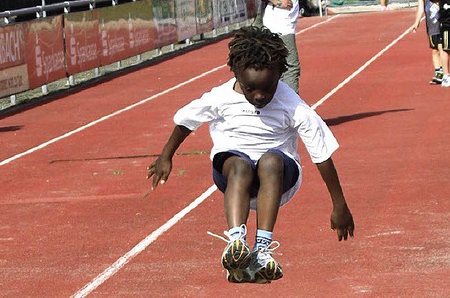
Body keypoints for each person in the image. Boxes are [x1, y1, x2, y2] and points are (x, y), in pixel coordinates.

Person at [147, 26, 355, 284]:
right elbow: (186, 121)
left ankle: (262, 250)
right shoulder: (220, 97)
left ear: (280, 75)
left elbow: (322, 156)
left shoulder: (293, 106)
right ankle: (237, 244)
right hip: (233, 175)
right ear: (236, 74)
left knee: (270, 160)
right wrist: (166, 156)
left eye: (267, 89)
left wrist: (339, 204)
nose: (259, 96)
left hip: (279, 178)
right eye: (250, 89)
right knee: (240, 165)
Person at [410, 0, 443, 84]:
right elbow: (420, 8)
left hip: (443, 23)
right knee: (435, 49)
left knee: (443, 48)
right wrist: (416, 22)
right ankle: (438, 71)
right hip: (432, 25)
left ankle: (445, 71)